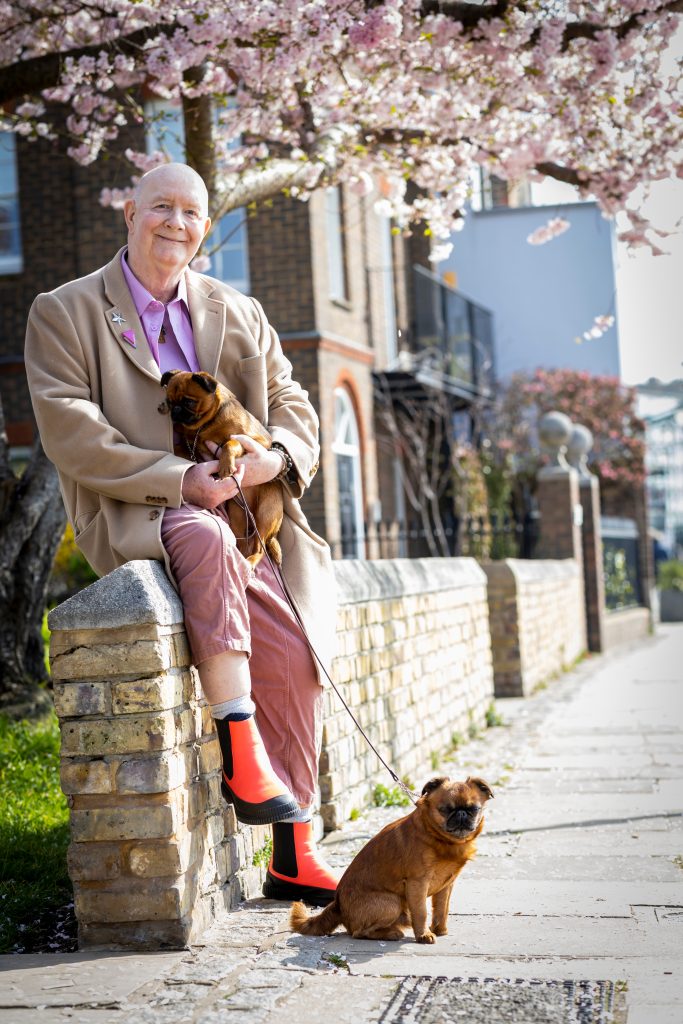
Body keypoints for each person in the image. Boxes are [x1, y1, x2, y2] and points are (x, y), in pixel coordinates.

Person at [25, 162, 338, 906]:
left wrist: (277, 458)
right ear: (128, 212)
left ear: (204, 226)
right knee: (196, 533)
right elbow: (70, 430)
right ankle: (239, 747)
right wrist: (177, 480)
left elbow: (295, 403)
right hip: (140, 510)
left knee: (294, 652)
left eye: (191, 213)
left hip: (247, 521)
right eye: (160, 207)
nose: (176, 223)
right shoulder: (64, 310)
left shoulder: (237, 309)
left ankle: (293, 848)